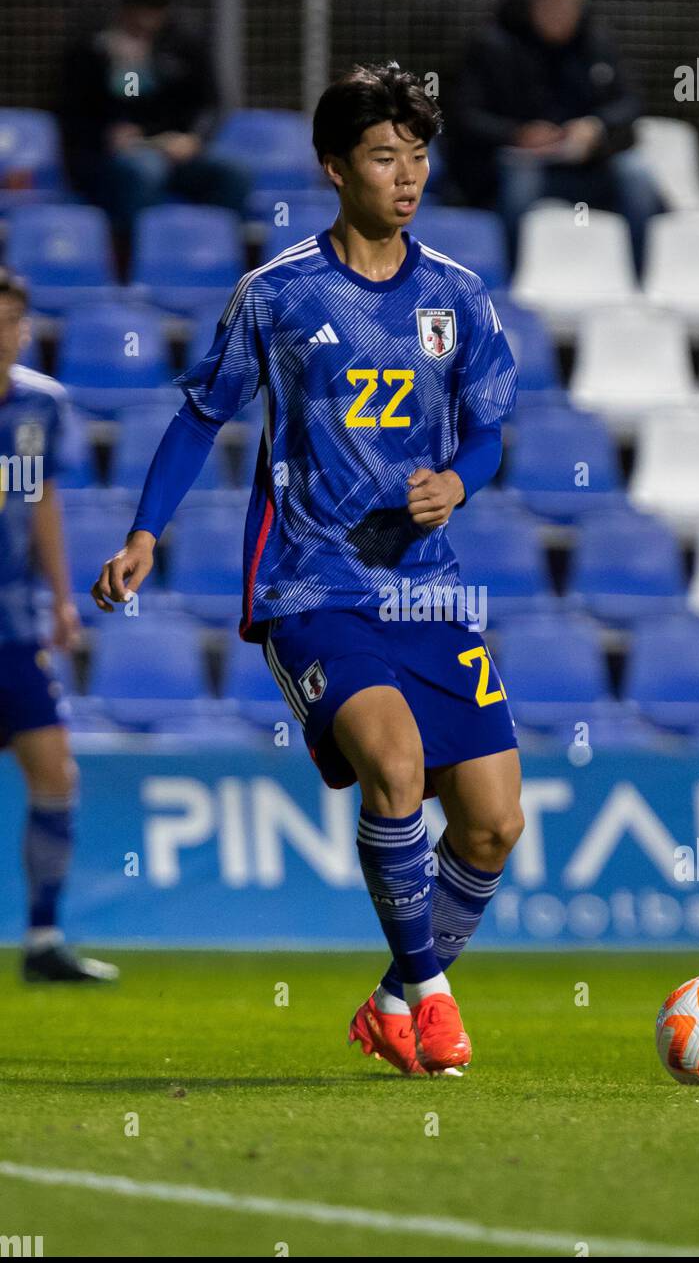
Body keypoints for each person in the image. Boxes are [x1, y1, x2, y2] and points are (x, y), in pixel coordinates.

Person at [91, 63, 524, 1076]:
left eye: (417, 156)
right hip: (310, 583)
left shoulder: (457, 296)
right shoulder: (279, 294)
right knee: (396, 766)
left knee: (495, 825)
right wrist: (146, 531)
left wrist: (457, 483)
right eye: (384, 156)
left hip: (429, 589)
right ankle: (430, 992)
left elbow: (491, 433)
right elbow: (203, 415)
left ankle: (387, 996)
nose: (406, 175)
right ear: (334, 169)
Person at [0, 270, 117, 983]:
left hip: (13, 626)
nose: (4, 332)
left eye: (13, 320)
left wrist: (64, 599)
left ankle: (43, 936)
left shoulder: (41, 403)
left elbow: (41, 500)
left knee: (55, 773)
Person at [451, 0, 662, 269]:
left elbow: (629, 104)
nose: (564, 12)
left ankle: (642, 279)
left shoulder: (595, 42)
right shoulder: (491, 45)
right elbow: (464, 116)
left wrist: (596, 127)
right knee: (521, 181)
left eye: (573, 2)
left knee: (636, 175)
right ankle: (514, 279)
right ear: (529, 2)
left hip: (584, 163)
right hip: (514, 166)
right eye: (553, 1)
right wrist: (517, 134)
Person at [59, 0, 248, 244]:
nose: (146, 24)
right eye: (138, 16)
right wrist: (106, 134)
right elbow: (70, 115)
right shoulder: (91, 48)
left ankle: (210, 252)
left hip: (172, 150)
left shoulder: (183, 43)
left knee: (234, 174)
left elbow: (211, 103)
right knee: (145, 170)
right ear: (125, 10)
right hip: (111, 160)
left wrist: (193, 138)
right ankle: (139, 259)